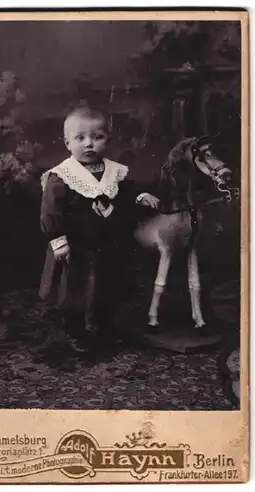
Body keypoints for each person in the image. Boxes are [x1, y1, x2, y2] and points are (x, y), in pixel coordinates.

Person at [39, 105, 159, 352]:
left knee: (104, 287)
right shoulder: (62, 176)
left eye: (98, 137)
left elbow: (126, 191)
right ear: (67, 142)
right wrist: (59, 239)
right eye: (80, 138)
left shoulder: (114, 171)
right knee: (74, 289)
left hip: (105, 243)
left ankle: (100, 326)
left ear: (107, 139)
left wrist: (140, 196)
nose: (89, 144)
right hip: (76, 244)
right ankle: (77, 329)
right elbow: (51, 211)